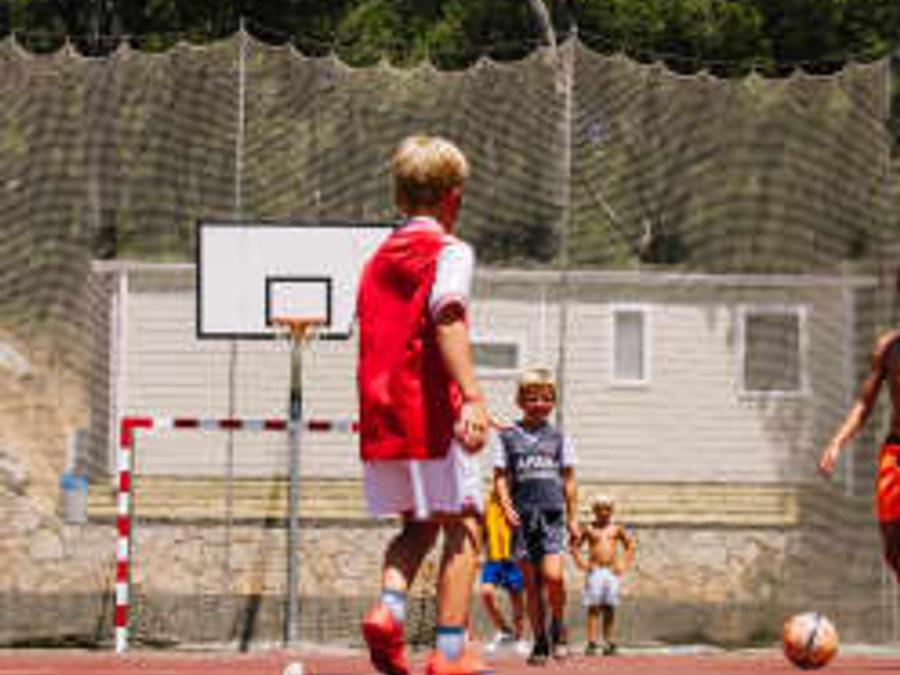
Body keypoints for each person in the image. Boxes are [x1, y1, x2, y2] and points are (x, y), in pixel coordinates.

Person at [357, 135, 492, 675]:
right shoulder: (449, 251)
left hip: (383, 416)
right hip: (432, 414)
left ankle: (389, 610)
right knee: (465, 527)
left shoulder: (377, 258)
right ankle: (450, 652)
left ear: (398, 196)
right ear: (454, 198)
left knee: (417, 525)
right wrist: (473, 395)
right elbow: (447, 316)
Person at [493, 368, 579, 666]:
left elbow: (569, 479)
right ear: (520, 401)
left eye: (546, 398)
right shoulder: (508, 436)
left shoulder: (559, 437)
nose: (539, 404)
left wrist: (573, 518)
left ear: (553, 401)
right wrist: (506, 506)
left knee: (554, 577)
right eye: (532, 398)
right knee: (531, 585)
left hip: (552, 516)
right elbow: (500, 477)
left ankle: (558, 625)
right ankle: (540, 640)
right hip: (523, 519)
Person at [819, 328, 900, 580]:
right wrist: (837, 442)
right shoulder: (888, 347)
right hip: (896, 451)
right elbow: (865, 402)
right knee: (893, 546)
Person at [572, 496, 636, 656]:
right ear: (594, 511)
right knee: (593, 607)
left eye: (607, 509)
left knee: (609, 607)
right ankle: (592, 641)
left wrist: (624, 564)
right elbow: (575, 547)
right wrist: (581, 564)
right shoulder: (589, 528)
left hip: (611, 571)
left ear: (611, 511)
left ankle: (608, 640)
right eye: (600, 509)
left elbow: (630, 545)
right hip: (595, 570)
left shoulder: (616, 529)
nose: (604, 512)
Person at [479, 488, 528, 657]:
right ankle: (505, 630)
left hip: (514, 558)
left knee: (517, 600)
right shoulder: (488, 504)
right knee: (486, 593)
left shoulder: (519, 501)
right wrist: (479, 552)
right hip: (493, 557)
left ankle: (519, 639)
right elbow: (483, 531)